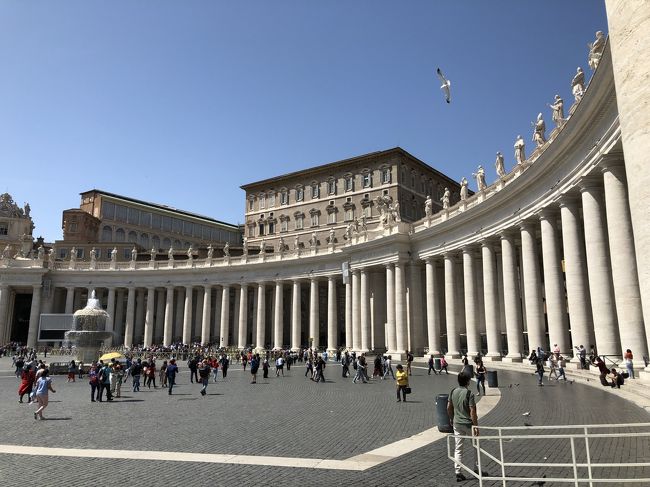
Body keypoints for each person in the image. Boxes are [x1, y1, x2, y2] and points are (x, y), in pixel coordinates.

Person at [447, 372, 480, 482]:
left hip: (457, 423)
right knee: (476, 446)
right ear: (467, 381)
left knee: (458, 448)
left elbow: (448, 407)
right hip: (468, 424)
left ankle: (458, 472)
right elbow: (472, 412)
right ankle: (476, 469)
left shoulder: (453, 391)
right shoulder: (469, 393)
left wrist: (451, 418)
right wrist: (476, 426)